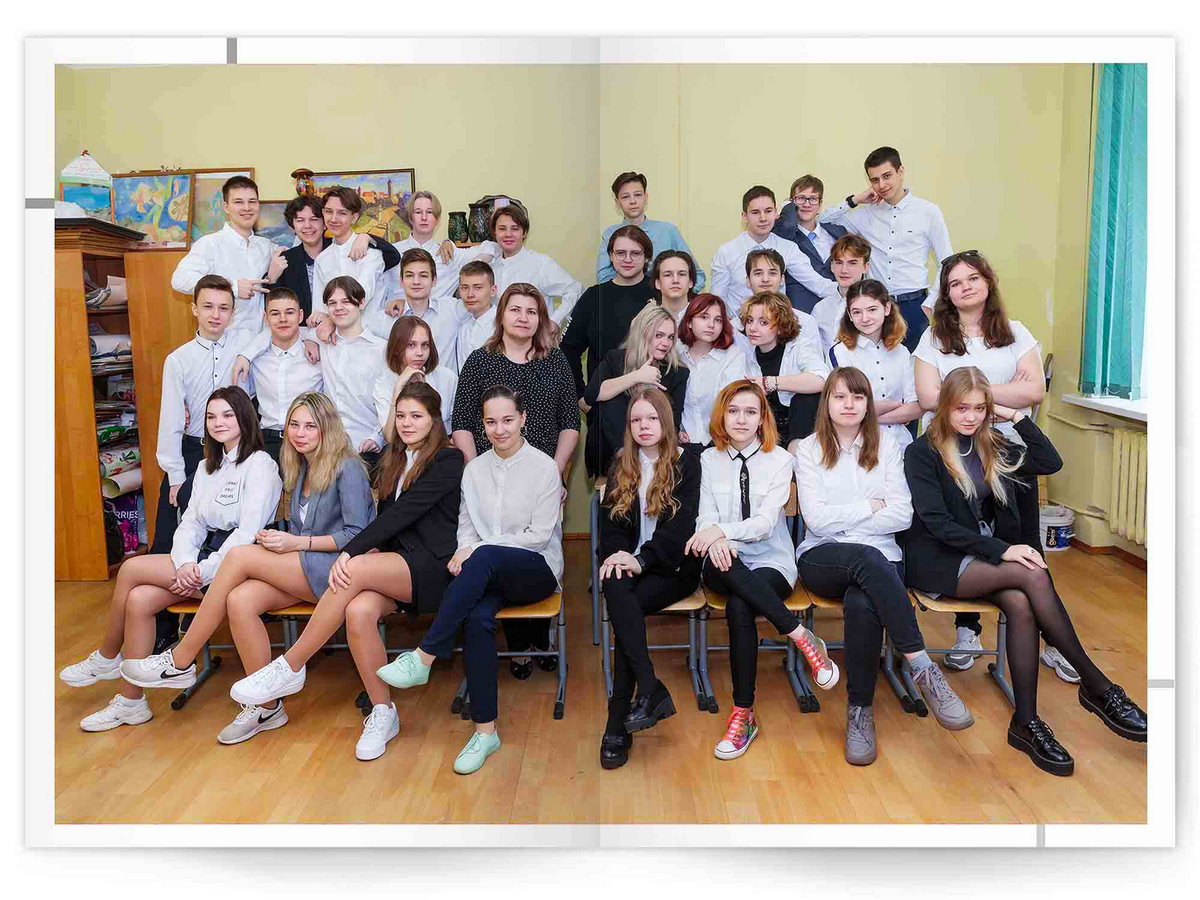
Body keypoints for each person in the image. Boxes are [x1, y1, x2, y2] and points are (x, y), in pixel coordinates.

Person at [903, 367, 1146, 775]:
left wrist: (1014, 415)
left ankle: (1026, 723)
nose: (970, 417)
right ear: (944, 407)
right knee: (1029, 572)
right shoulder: (921, 452)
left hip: (984, 556)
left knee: (1020, 603)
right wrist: (1005, 550)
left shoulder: (991, 444)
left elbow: (1050, 461)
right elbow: (937, 524)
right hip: (938, 560)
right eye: (961, 408)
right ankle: (1097, 685)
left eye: (979, 408)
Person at [118, 392, 374, 745]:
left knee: (239, 556)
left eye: (310, 426)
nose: (300, 433)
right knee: (239, 600)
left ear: (327, 428)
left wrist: (296, 543)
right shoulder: (301, 466)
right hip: (302, 564)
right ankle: (266, 708)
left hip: (336, 570)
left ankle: (180, 659)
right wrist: (280, 540)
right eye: (294, 425)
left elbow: (358, 535)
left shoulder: (348, 467)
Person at [229, 382, 465, 761]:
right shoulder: (393, 459)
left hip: (434, 567)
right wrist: (368, 551)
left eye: (416, 416)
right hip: (391, 563)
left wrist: (353, 551)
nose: (406, 423)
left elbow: (406, 514)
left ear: (436, 420)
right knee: (358, 611)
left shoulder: (448, 460)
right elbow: (387, 519)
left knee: (351, 571)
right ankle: (383, 712)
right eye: (400, 416)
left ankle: (291, 665)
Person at [59, 386, 282, 732]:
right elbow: (190, 523)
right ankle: (131, 703)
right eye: (211, 417)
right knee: (139, 599)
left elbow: (246, 535)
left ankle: (107, 656)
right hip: (200, 561)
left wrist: (202, 571)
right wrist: (184, 564)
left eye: (227, 415)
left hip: (241, 566)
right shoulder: (208, 466)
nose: (218, 423)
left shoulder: (261, 465)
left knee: (131, 568)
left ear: (244, 418)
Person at [374, 386, 563, 775]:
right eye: (491, 422)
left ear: (523, 419)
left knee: (486, 554)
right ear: (482, 424)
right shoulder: (473, 470)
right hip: (484, 573)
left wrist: (476, 550)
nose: (500, 429)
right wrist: (467, 550)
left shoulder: (544, 467)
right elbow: (465, 528)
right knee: (477, 620)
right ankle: (485, 731)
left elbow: (538, 536)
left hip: (536, 568)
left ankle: (424, 656)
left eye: (507, 420)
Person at [795, 368, 972, 766]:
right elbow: (817, 522)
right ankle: (922, 665)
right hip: (823, 556)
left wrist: (848, 517)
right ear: (826, 402)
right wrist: (870, 507)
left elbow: (902, 516)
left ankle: (859, 712)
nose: (849, 405)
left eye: (858, 397)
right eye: (840, 397)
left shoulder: (889, 446)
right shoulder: (808, 449)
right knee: (867, 557)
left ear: (868, 404)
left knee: (863, 600)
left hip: (880, 558)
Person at [912, 250, 1055, 672]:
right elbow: (928, 398)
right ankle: (968, 631)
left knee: (1025, 542)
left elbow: (1035, 391)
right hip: (953, 453)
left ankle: (1051, 640)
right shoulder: (934, 338)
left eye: (972, 278)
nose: (965, 288)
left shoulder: (1015, 331)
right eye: (955, 283)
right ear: (946, 294)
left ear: (988, 282)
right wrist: (1003, 389)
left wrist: (967, 391)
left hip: (1008, 452)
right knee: (967, 533)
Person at [685, 380, 838, 761]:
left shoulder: (781, 461)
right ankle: (800, 635)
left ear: (762, 418)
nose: (741, 419)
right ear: (722, 415)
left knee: (741, 604)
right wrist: (716, 537)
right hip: (722, 559)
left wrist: (720, 532)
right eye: (734, 411)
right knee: (734, 578)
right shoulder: (708, 459)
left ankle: (743, 714)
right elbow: (704, 515)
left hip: (771, 560)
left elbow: (766, 524)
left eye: (750, 412)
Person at [451, 284, 579, 671]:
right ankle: (519, 645)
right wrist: (476, 473)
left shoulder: (554, 361)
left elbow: (570, 424)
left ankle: (542, 639)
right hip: (492, 477)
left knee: (537, 552)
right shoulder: (480, 361)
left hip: (541, 480)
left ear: (540, 319)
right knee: (499, 550)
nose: (523, 318)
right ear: (501, 315)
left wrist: (555, 473)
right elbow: (462, 422)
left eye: (531, 311)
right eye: (515, 310)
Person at [596, 387, 702, 770]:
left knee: (626, 607)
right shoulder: (622, 463)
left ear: (666, 421)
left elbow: (681, 528)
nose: (644, 426)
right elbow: (611, 526)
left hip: (673, 567)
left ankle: (616, 721)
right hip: (631, 563)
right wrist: (618, 555)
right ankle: (648, 687)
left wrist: (641, 559)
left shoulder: (688, 462)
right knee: (615, 583)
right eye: (636, 420)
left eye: (652, 418)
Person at [150, 275, 259, 559]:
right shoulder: (178, 360)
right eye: (208, 306)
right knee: (170, 526)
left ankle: (217, 578)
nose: (215, 315)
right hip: (194, 449)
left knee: (228, 526)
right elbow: (171, 421)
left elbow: (282, 334)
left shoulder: (247, 346)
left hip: (235, 451)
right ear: (194, 309)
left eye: (224, 308)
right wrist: (175, 476)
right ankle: (163, 581)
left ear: (233, 313)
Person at [819, 146, 954, 351]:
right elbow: (823, 221)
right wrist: (856, 200)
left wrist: (929, 304)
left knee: (914, 365)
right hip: (875, 306)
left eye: (887, 176)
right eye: (874, 180)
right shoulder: (865, 214)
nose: (881, 185)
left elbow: (948, 262)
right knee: (875, 364)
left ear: (901, 172)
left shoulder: (928, 212)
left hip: (915, 306)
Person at [709, 185, 840, 331]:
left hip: (778, 330)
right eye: (755, 212)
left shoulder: (788, 248)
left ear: (776, 213)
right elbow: (717, 300)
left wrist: (851, 291)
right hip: (739, 331)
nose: (763, 218)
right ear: (744, 216)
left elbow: (817, 284)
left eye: (768, 211)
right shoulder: (726, 252)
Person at [582, 303, 688, 480]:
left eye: (670, 337)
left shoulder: (678, 372)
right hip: (612, 452)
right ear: (643, 333)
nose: (666, 343)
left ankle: (641, 464)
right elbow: (591, 396)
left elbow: (673, 422)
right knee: (611, 397)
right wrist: (637, 377)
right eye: (659, 335)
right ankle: (627, 461)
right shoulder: (615, 359)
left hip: (656, 450)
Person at [171, 175, 286, 334]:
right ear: (226, 207)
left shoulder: (266, 246)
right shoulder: (210, 244)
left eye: (252, 201)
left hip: (259, 340)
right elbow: (179, 280)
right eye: (238, 202)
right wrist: (232, 287)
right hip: (221, 339)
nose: (247, 208)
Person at [561, 224, 658, 408]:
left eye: (635, 253)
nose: (627, 259)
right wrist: (581, 396)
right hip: (603, 406)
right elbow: (568, 350)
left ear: (646, 257)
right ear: (611, 256)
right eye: (620, 253)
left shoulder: (659, 294)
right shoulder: (593, 297)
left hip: (652, 404)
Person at [268, 193, 401, 320]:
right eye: (300, 220)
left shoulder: (347, 246)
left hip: (358, 323)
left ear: (324, 223)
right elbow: (273, 306)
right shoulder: (284, 260)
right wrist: (271, 279)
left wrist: (367, 237)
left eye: (314, 219)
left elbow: (392, 257)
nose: (307, 226)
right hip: (307, 328)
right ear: (292, 225)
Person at [304, 276, 389, 469]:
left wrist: (378, 437)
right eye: (332, 303)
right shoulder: (324, 342)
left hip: (367, 447)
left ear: (361, 303)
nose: (338, 308)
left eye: (346, 301)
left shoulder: (381, 349)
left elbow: (391, 400)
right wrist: (309, 339)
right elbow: (289, 332)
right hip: (328, 448)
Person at [830, 279, 921, 449]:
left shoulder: (902, 352)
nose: (865, 318)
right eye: (857, 312)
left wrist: (870, 415)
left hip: (900, 443)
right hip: (859, 443)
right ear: (849, 315)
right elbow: (849, 408)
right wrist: (896, 407)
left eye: (872, 310)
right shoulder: (840, 352)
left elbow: (916, 407)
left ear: (886, 308)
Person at [473, 203, 583, 334]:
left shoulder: (540, 264)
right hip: (501, 340)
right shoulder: (491, 268)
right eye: (502, 229)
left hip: (536, 341)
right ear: (494, 232)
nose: (508, 234)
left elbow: (575, 289)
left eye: (515, 228)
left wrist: (555, 321)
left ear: (524, 233)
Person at [740, 291, 829, 452]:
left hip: (802, 430)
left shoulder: (799, 348)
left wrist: (771, 383)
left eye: (763, 322)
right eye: (750, 320)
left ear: (781, 327)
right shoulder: (744, 355)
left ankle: (796, 451)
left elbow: (822, 380)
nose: (752, 328)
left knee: (806, 397)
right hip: (765, 431)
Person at [246, 287, 324, 464]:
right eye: (275, 313)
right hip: (268, 442)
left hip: (310, 443)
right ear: (265, 318)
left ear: (300, 315)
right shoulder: (255, 358)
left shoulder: (318, 355)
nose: (283, 319)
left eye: (289, 312)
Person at [597, 171, 706, 291]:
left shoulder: (668, 231)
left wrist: (681, 298)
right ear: (617, 202)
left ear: (646, 197)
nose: (633, 201)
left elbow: (697, 275)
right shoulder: (610, 234)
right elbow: (603, 277)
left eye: (638, 195)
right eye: (625, 197)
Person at [310, 186, 389, 338]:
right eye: (329, 211)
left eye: (342, 213)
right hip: (335, 339)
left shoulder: (371, 253)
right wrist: (323, 320)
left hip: (371, 335)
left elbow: (359, 296)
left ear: (354, 217)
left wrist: (330, 318)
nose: (333, 219)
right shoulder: (322, 259)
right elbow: (319, 308)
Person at [677, 293, 749, 446]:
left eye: (718, 320)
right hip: (681, 443)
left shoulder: (732, 357)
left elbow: (730, 404)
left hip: (721, 442)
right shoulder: (677, 357)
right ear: (689, 322)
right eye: (704, 317)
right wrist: (675, 430)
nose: (711, 325)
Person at [383, 189, 474, 313]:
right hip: (398, 320)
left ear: (437, 219)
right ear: (410, 218)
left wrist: (449, 243)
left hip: (438, 322)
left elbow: (492, 249)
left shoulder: (450, 255)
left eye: (429, 212)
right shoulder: (393, 253)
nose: (424, 217)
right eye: (418, 212)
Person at [771, 174, 849, 313]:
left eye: (813, 199)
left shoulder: (838, 232)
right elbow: (788, 224)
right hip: (802, 313)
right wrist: (788, 206)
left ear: (820, 203)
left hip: (839, 311)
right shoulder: (784, 236)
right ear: (792, 202)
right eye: (801, 198)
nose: (807, 204)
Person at [373, 315, 457, 436]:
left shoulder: (447, 378)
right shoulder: (384, 383)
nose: (420, 353)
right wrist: (398, 388)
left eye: (425, 345)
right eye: (411, 345)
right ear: (396, 348)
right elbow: (390, 436)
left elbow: (459, 427)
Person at [382, 247, 468, 365]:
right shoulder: (389, 317)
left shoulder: (451, 309)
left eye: (423, 276)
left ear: (434, 280)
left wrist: (449, 244)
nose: (416, 282)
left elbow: (490, 251)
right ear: (401, 281)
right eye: (409, 276)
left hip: (444, 377)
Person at [809, 234, 872, 355]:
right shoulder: (820, 309)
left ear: (865, 267)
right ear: (832, 266)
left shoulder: (876, 306)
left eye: (852, 263)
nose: (844, 270)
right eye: (839, 263)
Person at [448, 261, 498, 374]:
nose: (470, 294)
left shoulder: (504, 325)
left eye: (478, 288)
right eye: (465, 288)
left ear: (493, 291)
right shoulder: (461, 325)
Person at [650, 249, 698, 325]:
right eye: (668, 275)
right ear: (657, 283)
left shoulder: (703, 319)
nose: (675, 280)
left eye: (682, 274)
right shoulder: (646, 321)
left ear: (690, 282)